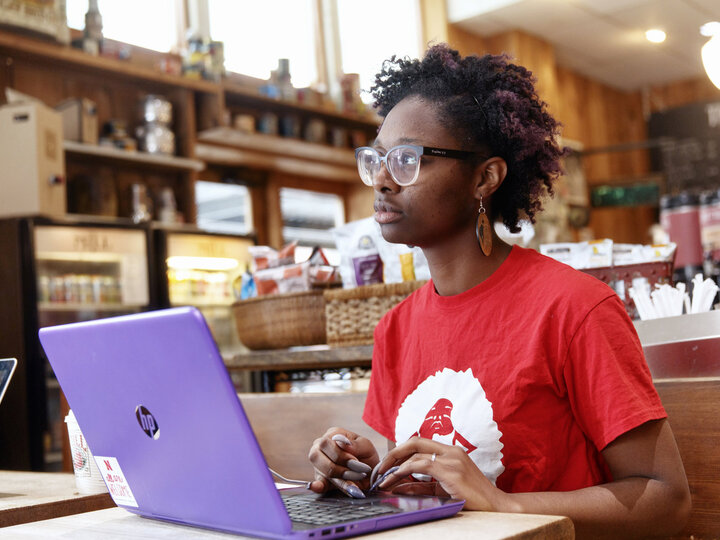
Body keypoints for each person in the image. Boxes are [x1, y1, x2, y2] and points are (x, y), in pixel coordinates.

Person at [308, 44, 691, 538]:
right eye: (377, 159)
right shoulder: (396, 328)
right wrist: (369, 478)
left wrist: (501, 504)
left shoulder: (574, 308)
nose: (382, 179)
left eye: (406, 159)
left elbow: (666, 501)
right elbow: (430, 494)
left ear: (485, 178)